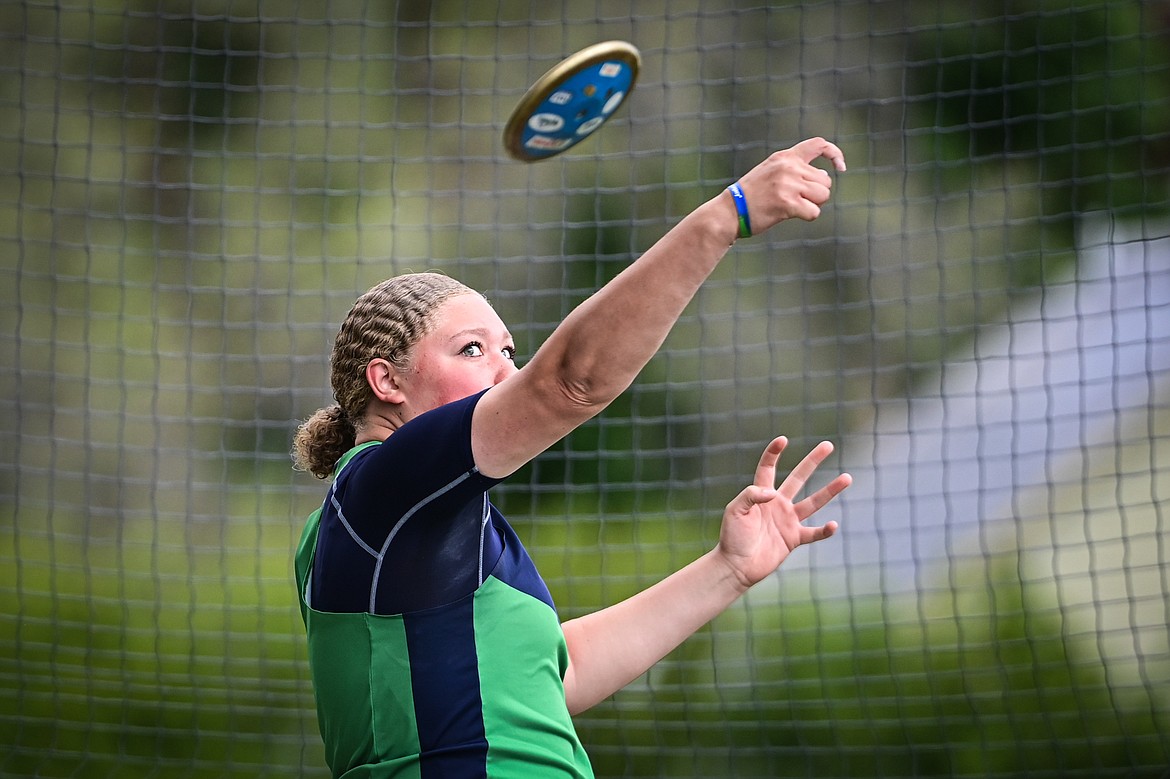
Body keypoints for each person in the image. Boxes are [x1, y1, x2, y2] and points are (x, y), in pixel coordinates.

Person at [292, 137, 852, 778]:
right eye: (472, 349)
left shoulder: (408, 521)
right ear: (386, 382)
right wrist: (726, 216)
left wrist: (729, 568)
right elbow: (569, 383)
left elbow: (559, 673)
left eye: (509, 350)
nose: (506, 373)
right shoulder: (379, 492)